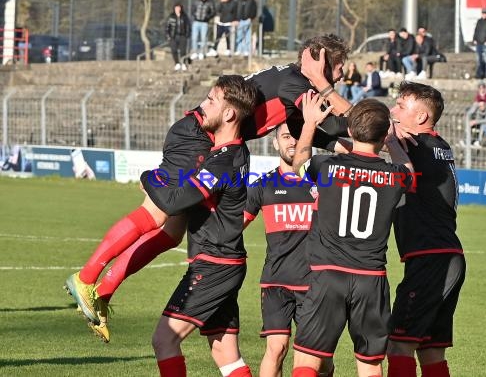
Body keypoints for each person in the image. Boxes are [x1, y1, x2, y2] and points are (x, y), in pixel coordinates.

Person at [64, 34, 353, 342]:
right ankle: (85, 278)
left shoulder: (294, 86)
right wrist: (327, 92)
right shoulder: (298, 83)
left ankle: (103, 292)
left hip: (203, 136)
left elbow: (311, 125)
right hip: (199, 136)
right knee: (157, 212)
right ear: (322, 62)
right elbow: (345, 120)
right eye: (338, 68)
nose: (342, 75)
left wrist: (344, 144)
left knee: (170, 233)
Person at [140, 75, 258, 377]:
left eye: (210, 101)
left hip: (214, 264)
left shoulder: (222, 163)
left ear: (229, 113)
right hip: (225, 261)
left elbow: (175, 202)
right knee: (225, 352)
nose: (201, 107)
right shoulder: (236, 151)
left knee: (164, 339)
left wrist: (149, 178)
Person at [289, 95, 414, 377]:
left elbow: (298, 165)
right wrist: (394, 143)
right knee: (369, 364)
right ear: (383, 136)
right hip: (371, 279)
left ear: (348, 130)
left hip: (327, 274)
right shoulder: (394, 176)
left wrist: (309, 124)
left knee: (308, 361)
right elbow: (410, 174)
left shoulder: (326, 166)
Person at [387, 81, 466, 377]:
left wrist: (392, 140)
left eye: (400, 106)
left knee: (399, 345)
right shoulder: (436, 145)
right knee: (430, 350)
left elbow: (369, 125)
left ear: (421, 118)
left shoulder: (420, 147)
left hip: (430, 258)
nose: (393, 111)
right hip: (446, 254)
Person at [244, 123, 328, 377]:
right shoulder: (263, 185)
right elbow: (234, 224)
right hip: (276, 282)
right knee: (276, 349)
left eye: (298, 136)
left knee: (318, 360)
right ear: (275, 143)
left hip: (315, 283)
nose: (292, 142)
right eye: (286, 136)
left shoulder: (325, 182)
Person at [165, 3, 191, 71]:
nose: (177, 9)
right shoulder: (171, 17)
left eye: (179, 8)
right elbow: (167, 27)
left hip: (182, 36)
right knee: (174, 50)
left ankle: (183, 63)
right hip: (173, 36)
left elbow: (188, 26)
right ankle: (177, 63)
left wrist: (187, 34)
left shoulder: (184, 16)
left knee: (183, 51)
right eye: (176, 8)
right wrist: (168, 36)